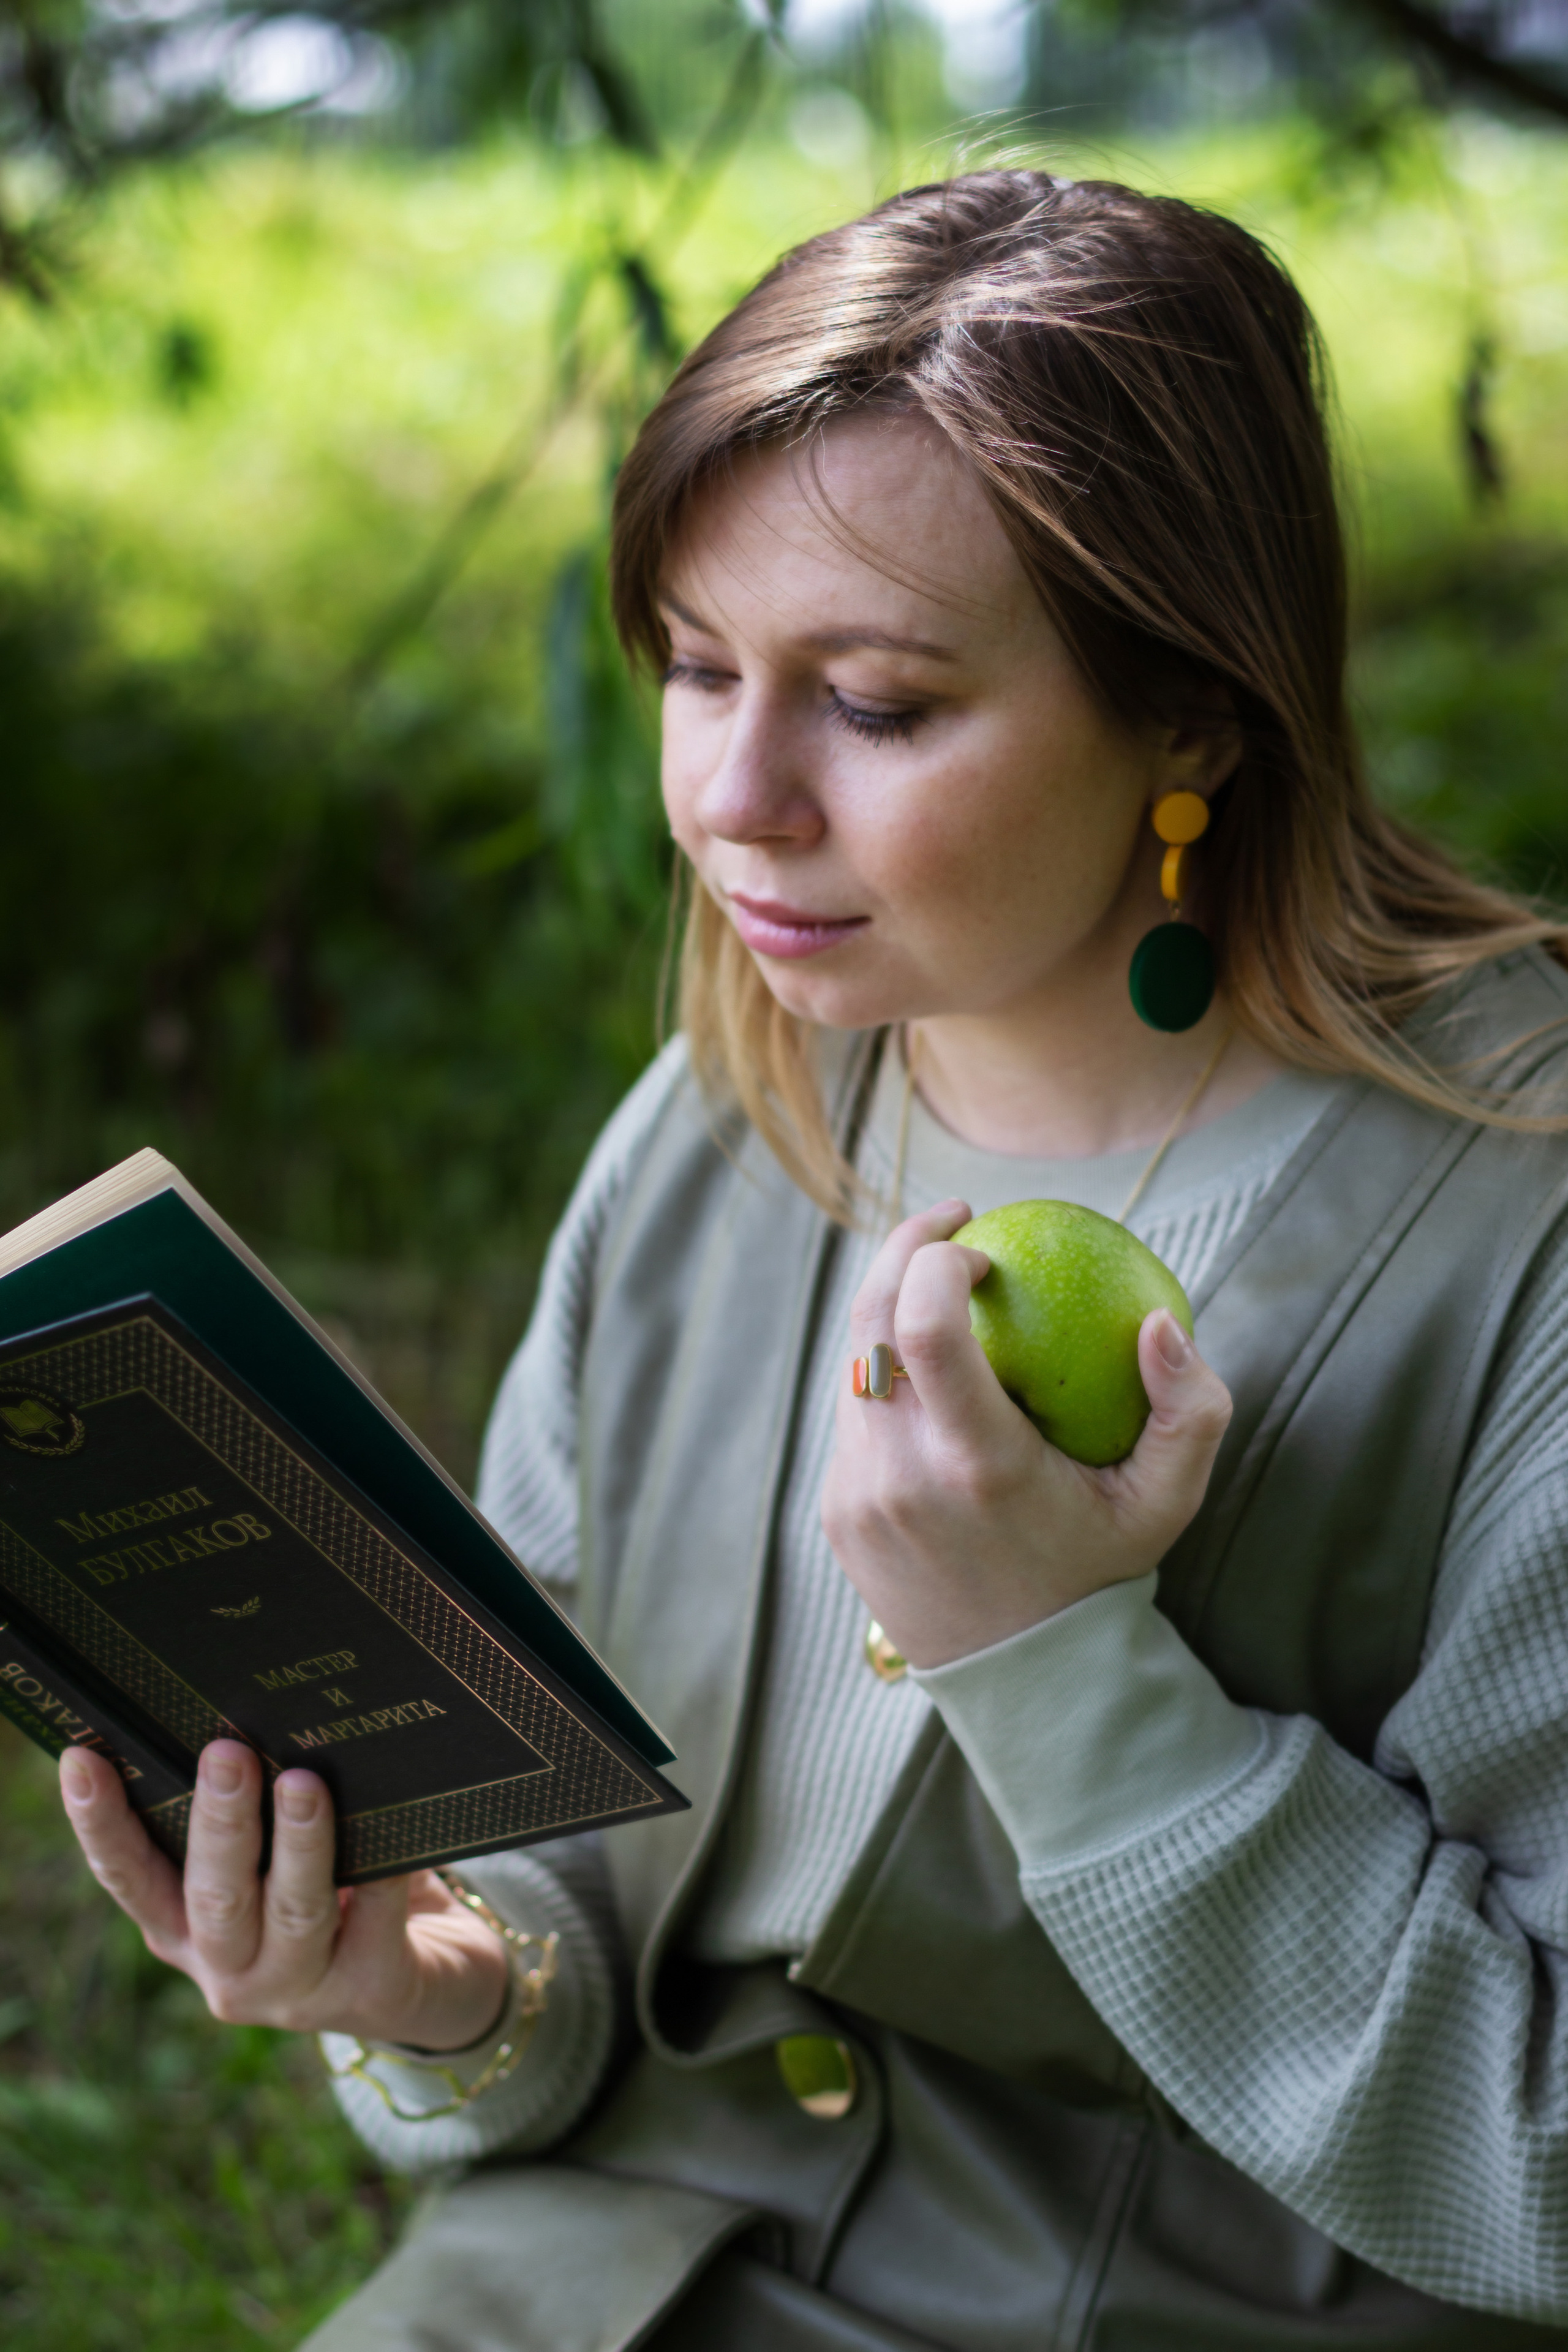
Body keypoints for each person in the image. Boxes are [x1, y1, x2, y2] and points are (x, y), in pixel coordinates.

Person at [53, 172, 1568, 2349]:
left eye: (871, 701)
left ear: (1199, 722)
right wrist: (433, 1978)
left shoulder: (1522, 1224)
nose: (737, 797)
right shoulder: (721, 1127)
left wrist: (1063, 1669)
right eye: (692, 669)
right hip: (605, 2283)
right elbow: (559, 1890)